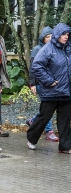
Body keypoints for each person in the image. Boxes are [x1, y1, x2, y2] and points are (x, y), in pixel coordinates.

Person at [27, 23, 71, 154]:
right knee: (43, 117)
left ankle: (65, 146)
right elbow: (37, 66)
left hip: (66, 92)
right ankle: (31, 139)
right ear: (57, 34)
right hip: (51, 92)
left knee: (65, 120)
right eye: (63, 34)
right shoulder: (47, 49)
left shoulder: (68, 49)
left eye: (68, 34)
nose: (66, 37)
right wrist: (49, 81)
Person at [26, 27, 58, 142]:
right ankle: (49, 131)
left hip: (52, 83)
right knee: (47, 106)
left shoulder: (56, 48)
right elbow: (33, 68)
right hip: (40, 83)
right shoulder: (37, 49)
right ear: (43, 38)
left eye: (51, 36)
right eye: (47, 37)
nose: (50, 39)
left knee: (47, 108)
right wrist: (32, 83)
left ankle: (33, 120)